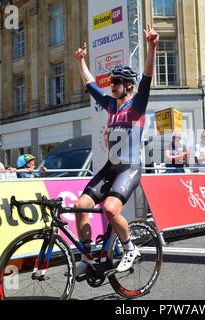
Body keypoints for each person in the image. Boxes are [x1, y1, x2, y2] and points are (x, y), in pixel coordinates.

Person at [73, 25, 159, 274]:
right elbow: (90, 85)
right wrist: (81, 61)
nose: (113, 85)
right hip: (110, 168)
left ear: (129, 85)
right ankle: (88, 255)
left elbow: (147, 76)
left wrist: (152, 47)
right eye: (112, 81)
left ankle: (130, 247)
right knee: (81, 206)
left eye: (117, 81)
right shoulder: (111, 105)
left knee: (110, 209)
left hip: (129, 169)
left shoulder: (137, 104)